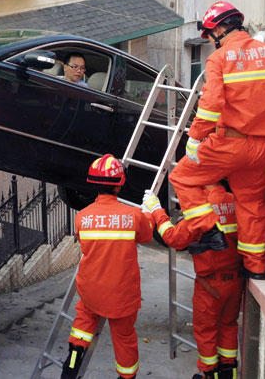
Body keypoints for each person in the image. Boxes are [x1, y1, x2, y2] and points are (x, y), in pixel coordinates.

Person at [169, 1, 265, 279]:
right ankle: (255, 268)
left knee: (182, 178)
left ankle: (210, 231)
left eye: (210, 35)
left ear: (220, 28)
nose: (210, 42)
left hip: (228, 144)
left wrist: (195, 138)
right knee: (252, 205)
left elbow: (211, 104)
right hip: (261, 148)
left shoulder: (219, 59)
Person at [61, 154, 154, 379]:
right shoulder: (133, 216)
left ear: (93, 183)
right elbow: (147, 235)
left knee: (82, 326)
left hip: (91, 293)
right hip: (122, 297)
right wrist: (151, 211)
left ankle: (71, 367)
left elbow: (85, 244)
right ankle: (126, 376)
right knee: (124, 340)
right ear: (120, 185)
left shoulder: (82, 217)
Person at [142, 185, 242, 379]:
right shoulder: (235, 200)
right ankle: (229, 373)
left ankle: (209, 374)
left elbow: (173, 238)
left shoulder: (202, 208)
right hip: (235, 281)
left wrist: (156, 210)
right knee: (228, 326)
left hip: (210, 285)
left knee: (206, 334)